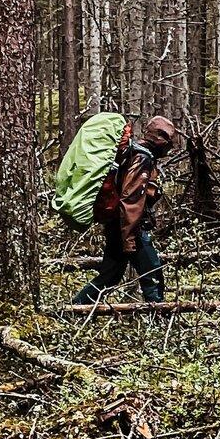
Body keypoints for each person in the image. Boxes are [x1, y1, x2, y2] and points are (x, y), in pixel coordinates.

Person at [74, 116, 179, 304]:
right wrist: (129, 237)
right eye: (168, 143)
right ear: (160, 140)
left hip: (118, 225)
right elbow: (131, 200)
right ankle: (158, 321)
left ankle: (74, 308)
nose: (169, 148)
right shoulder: (142, 158)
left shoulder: (132, 153)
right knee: (152, 274)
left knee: (109, 277)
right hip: (130, 228)